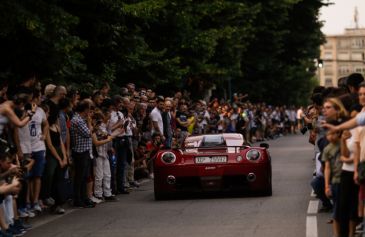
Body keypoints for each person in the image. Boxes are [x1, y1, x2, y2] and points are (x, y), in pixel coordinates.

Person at [70, 100, 95, 208]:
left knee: (85, 177)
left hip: (85, 150)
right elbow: (88, 133)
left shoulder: (81, 119)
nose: (90, 111)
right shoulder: (77, 120)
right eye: (89, 109)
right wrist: (89, 122)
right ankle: (77, 199)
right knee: (80, 177)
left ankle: (84, 198)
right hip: (80, 151)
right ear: (85, 109)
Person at [323, 126, 343, 237]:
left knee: (345, 208)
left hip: (345, 179)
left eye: (333, 134)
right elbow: (327, 168)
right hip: (334, 181)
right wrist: (326, 185)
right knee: (336, 209)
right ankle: (336, 234)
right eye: (328, 134)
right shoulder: (327, 149)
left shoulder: (343, 144)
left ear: (338, 133)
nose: (330, 137)